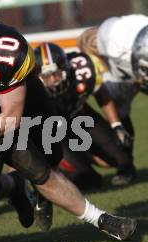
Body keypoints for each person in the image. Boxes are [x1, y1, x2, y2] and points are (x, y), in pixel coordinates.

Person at [0, 7, 136, 241]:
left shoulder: (5, 49)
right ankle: (16, 187)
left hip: (20, 107)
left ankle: (102, 220)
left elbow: (10, 119)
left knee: (47, 163)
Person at [34, 42, 135, 189]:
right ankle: (82, 158)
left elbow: (101, 94)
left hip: (80, 116)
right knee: (87, 181)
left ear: (66, 68)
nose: (53, 81)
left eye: (56, 74)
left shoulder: (81, 69)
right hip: (54, 132)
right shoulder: (29, 86)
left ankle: (103, 158)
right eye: (46, 76)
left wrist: (116, 125)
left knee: (121, 156)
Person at [77, 15, 148, 160]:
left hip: (134, 54)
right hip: (133, 56)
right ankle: (126, 161)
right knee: (119, 111)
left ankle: (126, 163)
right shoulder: (123, 28)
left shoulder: (113, 46)